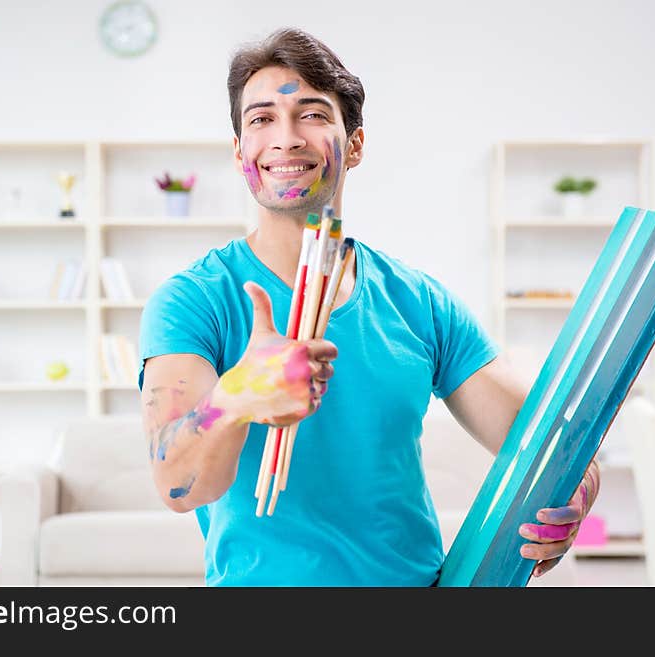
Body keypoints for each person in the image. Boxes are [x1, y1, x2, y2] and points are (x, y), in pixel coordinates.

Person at [138, 27, 600, 586]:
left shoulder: (420, 302)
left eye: (311, 114)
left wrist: (575, 486)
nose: (285, 138)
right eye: (261, 119)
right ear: (241, 152)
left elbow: (546, 441)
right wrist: (237, 396)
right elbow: (178, 483)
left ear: (354, 144)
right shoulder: (192, 300)